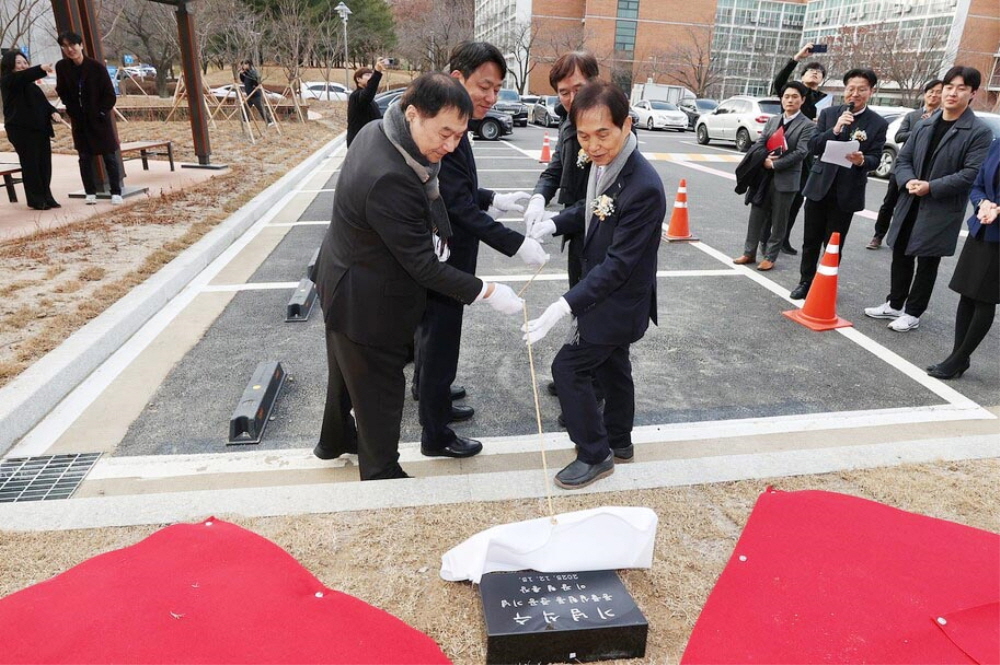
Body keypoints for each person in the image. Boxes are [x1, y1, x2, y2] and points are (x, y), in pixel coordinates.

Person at [312, 72, 524, 481]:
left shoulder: (380, 131)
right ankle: (382, 472)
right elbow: (424, 266)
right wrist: (488, 290)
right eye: (444, 133)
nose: (451, 145)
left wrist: (491, 198)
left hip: (340, 277)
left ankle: (334, 441)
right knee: (380, 390)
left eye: (460, 135)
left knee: (345, 374)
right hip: (366, 298)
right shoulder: (391, 177)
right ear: (413, 113)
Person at [525, 80, 666, 490]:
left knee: (567, 368)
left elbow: (619, 264)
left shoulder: (643, 185)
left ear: (627, 125)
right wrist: (554, 223)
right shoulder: (605, 163)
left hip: (617, 300)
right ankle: (619, 441)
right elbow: (591, 209)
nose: (593, 145)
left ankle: (594, 453)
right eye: (584, 136)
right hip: (608, 294)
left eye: (603, 133)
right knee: (613, 367)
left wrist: (563, 305)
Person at [412, 41, 547, 461]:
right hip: (444, 257)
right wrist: (517, 243)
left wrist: (493, 198)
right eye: (484, 87)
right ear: (458, 79)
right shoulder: (445, 127)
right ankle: (435, 432)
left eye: (497, 89)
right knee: (440, 339)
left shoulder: (458, 121)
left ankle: (430, 392)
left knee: (433, 338)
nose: (492, 97)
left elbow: (461, 188)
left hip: (450, 250)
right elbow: (456, 206)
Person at [863, 66, 992, 332]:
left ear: (973, 93)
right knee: (900, 251)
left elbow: (971, 173)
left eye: (961, 88)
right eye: (949, 87)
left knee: (927, 260)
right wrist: (909, 180)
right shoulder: (925, 124)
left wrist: (931, 187)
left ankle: (913, 312)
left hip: (940, 207)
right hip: (911, 199)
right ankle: (895, 303)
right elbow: (903, 159)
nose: (952, 93)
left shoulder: (978, 131)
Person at [522, 50, 600, 401]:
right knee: (578, 301)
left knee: (597, 308)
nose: (570, 98)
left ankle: (592, 388)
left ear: (595, 82)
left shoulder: (607, 124)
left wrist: (555, 222)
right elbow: (556, 166)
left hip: (601, 232)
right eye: (563, 92)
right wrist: (539, 197)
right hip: (576, 229)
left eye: (578, 88)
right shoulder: (569, 120)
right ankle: (578, 370)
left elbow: (604, 195)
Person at [789, 68, 887, 300]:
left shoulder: (878, 123)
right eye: (851, 89)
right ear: (845, 90)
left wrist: (862, 160)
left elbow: (875, 157)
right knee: (810, 240)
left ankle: (826, 282)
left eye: (861, 89)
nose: (855, 94)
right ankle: (805, 281)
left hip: (847, 190)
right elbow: (813, 146)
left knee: (834, 243)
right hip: (820, 186)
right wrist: (834, 130)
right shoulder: (829, 114)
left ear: (871, 91)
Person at [926, 139, 999, 379]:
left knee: (984, 298)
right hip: (981, 228)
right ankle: (958, 357)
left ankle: (957, 359)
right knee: (967, 293)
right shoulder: (997, 144)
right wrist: (983, 203)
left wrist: (998, 209)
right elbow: (978, 184)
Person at [731, 82, 816, 271]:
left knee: (779, 220)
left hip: (786, 179)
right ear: (782, 99)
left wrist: (775, 164)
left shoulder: (808, 125)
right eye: (786, 96)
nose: (790, 100)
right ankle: (749, 252)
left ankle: (770, 256)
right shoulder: (773, 120)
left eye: (795, 96)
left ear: (802, 100)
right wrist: (763, 159)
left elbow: (802, 152)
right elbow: (760, 142)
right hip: (763, 177)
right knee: (756, 215)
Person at [766, 42, 832, 256]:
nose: (815, 73)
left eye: (819, 72)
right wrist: (797, 58)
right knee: (773, 196)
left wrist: (821, 125)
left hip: (807, 154)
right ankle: (765, 237)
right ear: (802, 75)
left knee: (796, 199)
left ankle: (783, 237)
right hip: (783, 149)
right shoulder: (792, 93)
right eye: (811, 70)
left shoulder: (825, 100)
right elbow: (779, 82)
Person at [868, 79, 943, 250]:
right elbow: (899, 136)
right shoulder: (912, 116)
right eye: (931, 91)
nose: (934, 95)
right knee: (889, 203)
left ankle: (902, 239)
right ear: (925, 94)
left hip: (924, 170)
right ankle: (878, 235)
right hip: (902, 166)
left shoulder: (943, 119)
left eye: (938, 92)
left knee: (912, 207)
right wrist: (921, 127)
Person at [55, 31, 123, 205]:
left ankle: (116, 192)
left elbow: (109, 95)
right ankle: (90, 192)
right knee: (84, 158)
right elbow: (61, 90)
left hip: (99, 120)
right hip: (79, 120)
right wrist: (71, 109)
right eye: (65, 46)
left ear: (81, 45)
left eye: (72, 45)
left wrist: (101, 113)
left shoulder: (96, 67)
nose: (69, 49)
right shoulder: (62, 67)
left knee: (109, 157)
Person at [0, 49, 61, 210]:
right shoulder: (8, 81)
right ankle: (36, 199)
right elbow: (23, 76)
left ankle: (47, 196)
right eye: (18, 63)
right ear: (9, 64)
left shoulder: (32, 86)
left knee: (44, 165)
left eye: (25, 62)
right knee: (31, 165)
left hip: (40, 129)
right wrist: (40, 68)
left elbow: (43, 104)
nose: (23, 65)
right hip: (21, 131)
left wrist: (53, 111)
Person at [346, 59, 387, 146]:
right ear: (358, 79)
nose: (370, 77)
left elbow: (375, 117)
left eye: (371, 75)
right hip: (359, 142)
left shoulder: (370, 100)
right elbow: (368, 93)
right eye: (367, 75)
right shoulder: (356, 96)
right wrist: (377, 72)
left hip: (368, 140)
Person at [239, 60, 273, 126]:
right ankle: (246, 120)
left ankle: (269, 122)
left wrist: (255, 85)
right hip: (250, 95)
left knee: (260, 109)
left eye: (243, 65)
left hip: (255, 94)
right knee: (244, 106)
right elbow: (243, 80)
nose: (242, 66)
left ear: (248, 64)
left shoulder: (253, 72)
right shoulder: (246, 73)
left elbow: (257, 81)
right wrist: (241, 74)